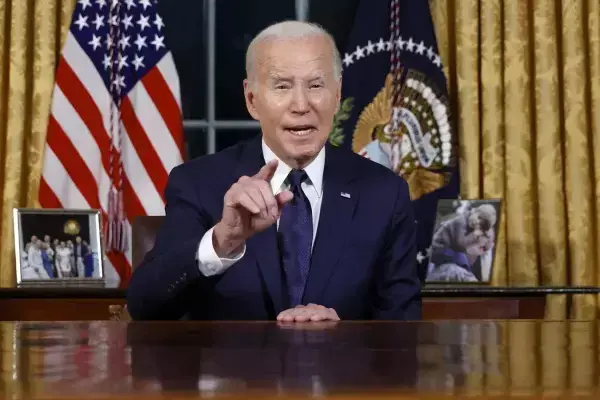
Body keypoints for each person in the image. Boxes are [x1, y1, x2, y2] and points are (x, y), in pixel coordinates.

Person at [126, 21, 421, 321]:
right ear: (252, 100)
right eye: (282, 86)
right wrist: (222, 241)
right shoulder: (198, 184)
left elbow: (402, 328)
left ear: (337, 94)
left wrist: (344, 337)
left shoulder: (384, 194)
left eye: (316, 85)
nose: (301, 105)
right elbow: (145, 306)